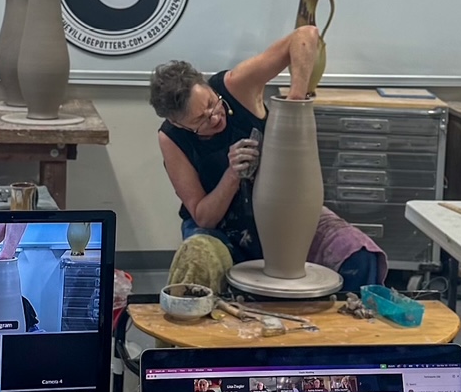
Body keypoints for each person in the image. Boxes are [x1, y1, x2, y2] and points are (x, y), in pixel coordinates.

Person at [148, 26, 386, 295]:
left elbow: (306, 35)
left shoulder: (236, 86)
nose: (214, 118)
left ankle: (347, 334)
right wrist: (232, 176)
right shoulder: (171, 139)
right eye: (199, 121)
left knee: (358, 254)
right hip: (225, 229)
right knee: (197, 260)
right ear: (177, 123)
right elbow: (205, 218)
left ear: (207, 86)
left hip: (293, 212)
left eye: (212, 105)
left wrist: (297, 98)